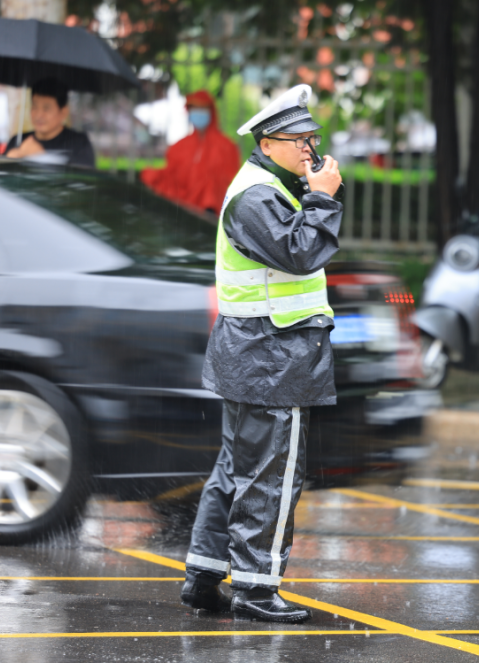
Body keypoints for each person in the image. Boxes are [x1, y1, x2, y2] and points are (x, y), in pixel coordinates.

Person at [179, 84, 342, 623]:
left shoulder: (270, 186)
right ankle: (255, 589)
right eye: (298, 140)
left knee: (237, 469)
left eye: (312, 138)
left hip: (259, 353)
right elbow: (302, 252)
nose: (309, 149)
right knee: (272, 474)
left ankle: (204, 574)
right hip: (274, 356)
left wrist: (317, 191)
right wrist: (323, 197)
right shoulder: (257, 195)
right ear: (268, 143)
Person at [140, 90, 241, 214]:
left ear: (211, 112)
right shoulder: (178, 147)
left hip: (212, 214)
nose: (198, 113)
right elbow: (172, 177)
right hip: (180, 211)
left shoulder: (227, 147)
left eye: (202, 109)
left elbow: (231, 184)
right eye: (195, 109)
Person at [4, 78, 95, 168]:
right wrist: (14, 157)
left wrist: (40, 157)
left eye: (46, 108)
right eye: (34, 107)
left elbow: (80, 179)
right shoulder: (18, 141)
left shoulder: (79, 144)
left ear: (63, 112)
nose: (39, 115)